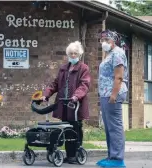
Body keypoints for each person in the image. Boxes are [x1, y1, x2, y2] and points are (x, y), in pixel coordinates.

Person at [41, 41, 91, 164]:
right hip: (64, 104)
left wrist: (76, 96)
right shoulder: (64, 68)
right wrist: (46, 94)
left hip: (75, 104)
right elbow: (55, 84)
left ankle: (75, 154)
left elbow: (84, 85)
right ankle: (69, 155)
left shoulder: (83, 68)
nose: (73, 55)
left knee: (75, 128)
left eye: (75, 53)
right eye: (71, 53)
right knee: (66, 129)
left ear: (79, 55)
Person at [96, 30, 128, 167]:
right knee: (109, 127)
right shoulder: (109, 54)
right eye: (102, 40)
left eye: (107, 40)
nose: (104, 43)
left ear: (113, 41)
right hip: (106, 94)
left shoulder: (118, 53)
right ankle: (111, 157)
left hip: (112, 94)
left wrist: (113, 95)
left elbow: (119, 77)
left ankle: (117, 159)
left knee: (115, 126)